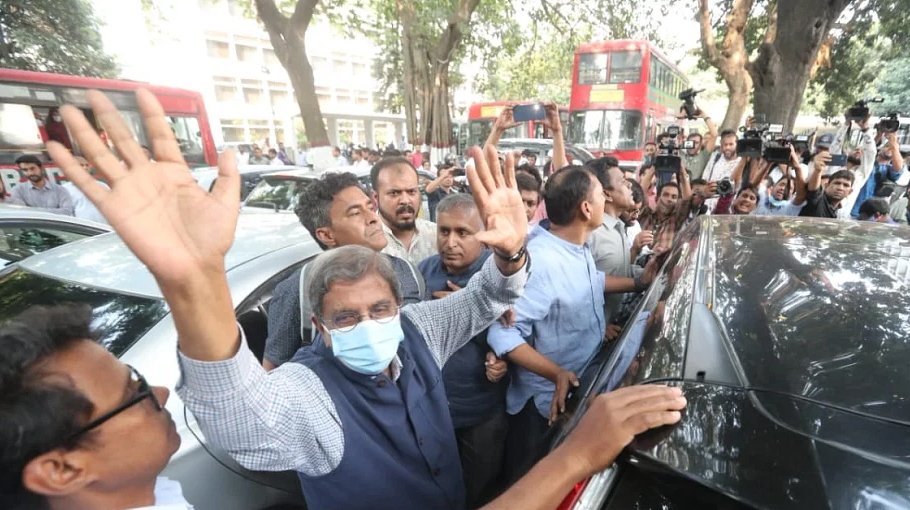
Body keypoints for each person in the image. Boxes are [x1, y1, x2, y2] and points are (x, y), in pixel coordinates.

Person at [44, 89, 686, 510]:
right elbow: (240, 414)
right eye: (346, 317)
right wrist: (194, 281)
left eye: (380, 310)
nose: (370, 325)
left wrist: (514, 252)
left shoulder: (418, 330)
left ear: (399, 306)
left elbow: (485, 300)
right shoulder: (312, 395)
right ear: (319, 327)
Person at [488, 165, 656, 485]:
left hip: (578, 384)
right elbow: (503, 332)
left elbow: (590, 281)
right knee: (530, 483)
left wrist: (639, 283)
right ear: (586, 208)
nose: (607, 199)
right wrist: (556, 373)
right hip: (544, 405)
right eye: (601, 194)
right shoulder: (541, 261)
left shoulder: (575, 246)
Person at [0, 304, 190, 510]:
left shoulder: (158, 495)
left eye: (138, 381)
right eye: (134, 397)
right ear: (63, 470)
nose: (162, 394)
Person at [262, 172, 426, 370]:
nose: (373, 218)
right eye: (355, 213)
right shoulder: (297, 289)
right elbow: (274, 369)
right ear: (326, 235)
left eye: (370, 208)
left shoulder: (407, 272)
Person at [417, 194, 509, 508]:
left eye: (462, 232)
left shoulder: (497, 278)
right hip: (433, 413)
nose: (450, 242)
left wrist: (504, 361)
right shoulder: (423, 272)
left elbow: (524, 334)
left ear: (482, 237)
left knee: (478, 490)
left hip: (480, 413)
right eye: (444, 231)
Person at [586, 157, 646, 335]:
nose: (629, 185)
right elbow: (580, 285)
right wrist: (596, 326)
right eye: (622, 181)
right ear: (606, 194)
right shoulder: (592, 233)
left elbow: (618, 271)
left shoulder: (618, 227)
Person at [372, 157, 438, 265]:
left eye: (411, 192)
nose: (405, 201)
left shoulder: (437, 235)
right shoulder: (365, 244)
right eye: (394, 193)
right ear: (376, 197)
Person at [849, 131, 904, 219]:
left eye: (892, 148)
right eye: (887, 146)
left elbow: (898, 168)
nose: (890, 149)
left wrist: (894, 145)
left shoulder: (889, 170)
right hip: (853, 210)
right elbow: (867, 150)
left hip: (874, 216)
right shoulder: (865, 164)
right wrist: (878, 134)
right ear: (879, 149)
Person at [9, 155, 74, 215]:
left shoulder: (60, 190)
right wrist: (54, 211)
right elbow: (22, 213)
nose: (30, 173)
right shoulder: (18, 190)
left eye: (32, 168)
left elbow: (67, 211)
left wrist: (33, 210)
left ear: (41, 168)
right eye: (25, 170)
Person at [799, 151, 854, 219]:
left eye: (846, 185)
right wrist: (818, 170)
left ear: (850, 192)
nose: (840, 188)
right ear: (826, 185)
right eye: (837, 183)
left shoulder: (842, 214)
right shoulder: (818, 200)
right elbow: (813, 191)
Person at [62, 157, 110, 224]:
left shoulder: (103, 186)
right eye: (81, 165)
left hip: (105, 227)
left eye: (87, 165)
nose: (85, 167)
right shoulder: (65, 189)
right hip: (83, 228)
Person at [680, 110, 718, 179]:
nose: (693, 145)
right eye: (691, 142)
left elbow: (714, 135)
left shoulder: (703, 156)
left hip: (695, 185)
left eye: (696, 142)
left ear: (700, 144)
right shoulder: (680, 154)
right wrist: (681, 116)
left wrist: (704, 116)